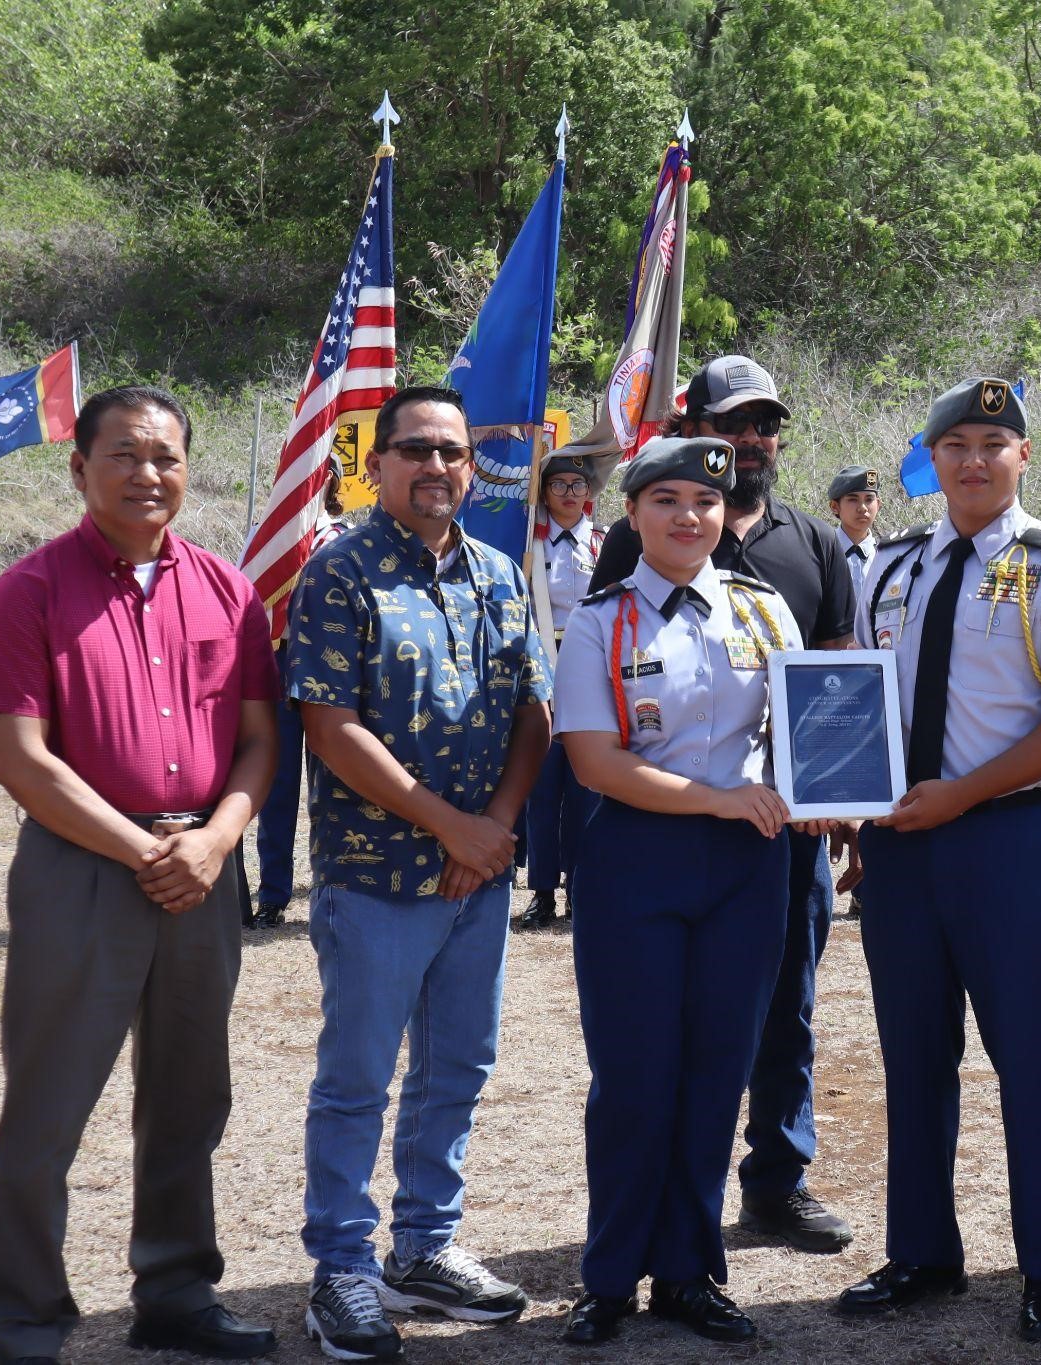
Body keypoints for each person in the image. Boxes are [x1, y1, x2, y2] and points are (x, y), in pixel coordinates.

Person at [0, 385, 280, 1363]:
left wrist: (218, 840)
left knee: (192, 1094)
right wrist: (147, 849)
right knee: (50, 1100)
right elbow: (20, 759)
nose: (150, 474)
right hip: (85, 870)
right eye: (126, 456)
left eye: (167, 457)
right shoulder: (30, 590)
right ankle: (25, 1316)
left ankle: (177, 1294)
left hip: (203, 867)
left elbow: (262, 741)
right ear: (80, 467)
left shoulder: (228, 590)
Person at [832, 377, 1041, 1343]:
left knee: (1032, 1056)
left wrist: (961, 792)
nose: (973, 459)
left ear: (1023, 456)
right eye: (954, 442)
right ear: (932, 458)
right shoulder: (893, 568)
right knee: (914, 1053)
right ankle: (922, 1250)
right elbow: (863, 696)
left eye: (993, 442)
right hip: (901, 847)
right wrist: (850, 807)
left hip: (1009, 840)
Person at [286, 386, 552, 1362]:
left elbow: (533, 709)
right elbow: (330, 724)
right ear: (378, 463)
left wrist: (495, 828)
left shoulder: (497, 571)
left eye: (451, 452)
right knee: (357, 1078)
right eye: (416, 451)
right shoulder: (340, 573)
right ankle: (343, 1269)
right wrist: (450, 826)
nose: (436, 467)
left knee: (456, 1071)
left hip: (474, 876)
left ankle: (424, 1248)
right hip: (377, 874)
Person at [554, 436, 820, 1345]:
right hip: (638, 859)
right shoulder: (600, 621)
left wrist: (829, 792)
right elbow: (596, 762)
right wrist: (720, 798)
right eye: (665, 500)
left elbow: (808, 726)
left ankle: (688, 1271)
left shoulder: (764, 610)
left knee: (716, 1072)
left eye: (704, 504)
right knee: (633, 1078)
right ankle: (609, 1276)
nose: (687, 517)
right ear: (632, 515)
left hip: (748, 869)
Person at [591, 355, 861, 1253]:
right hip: (673, 825)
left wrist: (835, 795)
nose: (752, 439)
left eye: (766, 424)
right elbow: (618, 699)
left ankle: (776, 1182)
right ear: (695, 427)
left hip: (786, 831)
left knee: (784, 1012)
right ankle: (643, 1233)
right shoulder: (639, 541)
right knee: (663, 1041)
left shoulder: (815, 542)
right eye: (734, 422)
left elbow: (833, 686)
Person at [248, 468, 348, 928]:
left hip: (330, 669)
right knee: (277, 785)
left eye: (321, 472)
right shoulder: (268, 539)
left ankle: (332, 887)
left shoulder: (344, 538)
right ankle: (272, 893)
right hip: (278, 660)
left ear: (332, 480)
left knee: (332, 786)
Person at [518, 454, 606, 930]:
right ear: (545, 492)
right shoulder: (528, 544)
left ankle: (581, 886)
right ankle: (542, 891)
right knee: (543, 785)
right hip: (539, 663)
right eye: (559, 485)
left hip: (590, 666)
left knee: (586, 783)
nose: (570, 493)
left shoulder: (603, 542)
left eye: (578, 484)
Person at [829, 464, 882, 597]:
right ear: (835, 506)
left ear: (878, 505)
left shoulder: (886, 555)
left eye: (869, 499)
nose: (863, 508)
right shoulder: (824, 553)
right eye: (853, 499)